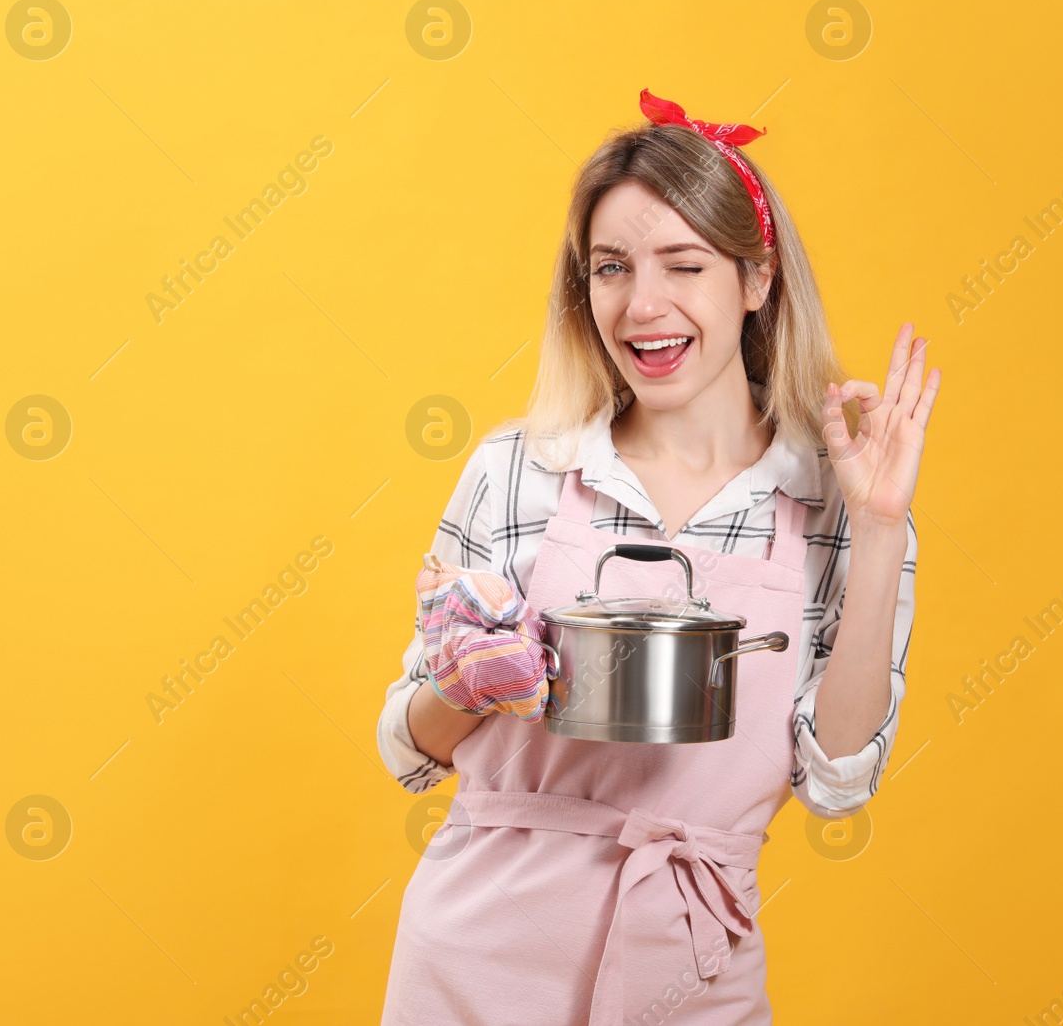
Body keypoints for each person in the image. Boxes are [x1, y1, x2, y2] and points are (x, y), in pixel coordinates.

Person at [376, 89, 942, 1024]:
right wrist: (470, 678)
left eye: (685, 266)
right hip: (477, 961)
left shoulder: (838, 500)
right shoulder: (519, 471)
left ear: (756, 281)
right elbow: (407, 746)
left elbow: (837, 780)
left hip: (691, 966)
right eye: (610, 269)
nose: (643, 307)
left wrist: (880, 533)